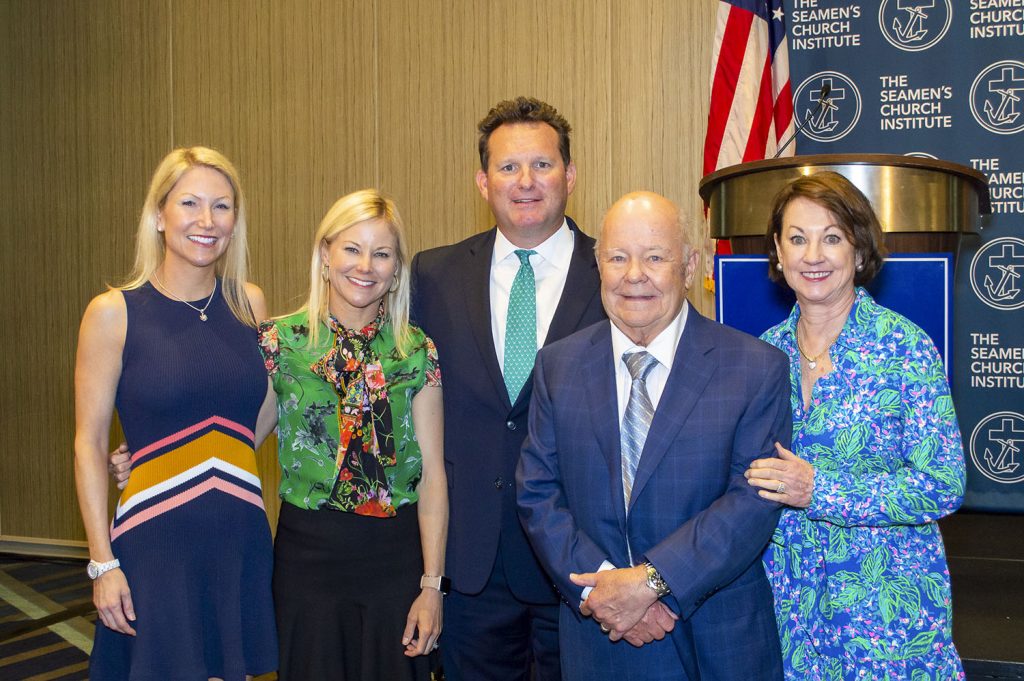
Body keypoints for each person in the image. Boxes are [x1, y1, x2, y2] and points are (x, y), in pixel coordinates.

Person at [517, 191, 789, 681]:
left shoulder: (755, 368)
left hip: (714, 643)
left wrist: (651, 583)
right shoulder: (558, 366)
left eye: (655, 257)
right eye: (618, 257)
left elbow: (750, 503)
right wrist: (605, 592)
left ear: (688, 267)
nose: (634, 274)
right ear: (598, 265)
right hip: (598, 640)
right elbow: (537, 492)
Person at [410, 96, 605, 680]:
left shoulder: (616, 274)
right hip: (471, 565)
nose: (526, 182)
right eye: (508, 167)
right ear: (482, 180)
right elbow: (388, 389)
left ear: (570, 176)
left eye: (542, 165)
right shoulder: (433, 275)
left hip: (579, 563)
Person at [744, 171, 966, 680]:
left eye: (832, 238)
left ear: (859, 251)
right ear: (778, 253)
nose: (813, 255)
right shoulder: (759, 356)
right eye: (797, 239)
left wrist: (820, 490)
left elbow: (943, 484)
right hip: (788, 614)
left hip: (887, 618)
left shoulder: (905, 349)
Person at [74, 146, 278, 679]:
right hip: (153, 541)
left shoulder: (250, 305)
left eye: (222, 206)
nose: (207, 221)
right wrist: (103, 563)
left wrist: (197, 458)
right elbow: (90, 444)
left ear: (236, 221)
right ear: (158, 215)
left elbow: (260, 411)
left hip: (238, 533)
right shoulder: (113, 312)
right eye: (189, 203)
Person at [256, 189, 447, 680]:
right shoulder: (281, 343)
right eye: (352, 249)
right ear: (325, 255)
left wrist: (431, 584)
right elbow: (235, 444)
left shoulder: (416, 351)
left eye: (381, 253)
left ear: (396, 268)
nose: (366, 265)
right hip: (309, 561)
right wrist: (152, 457)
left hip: (396, 563)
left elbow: (432, 476)